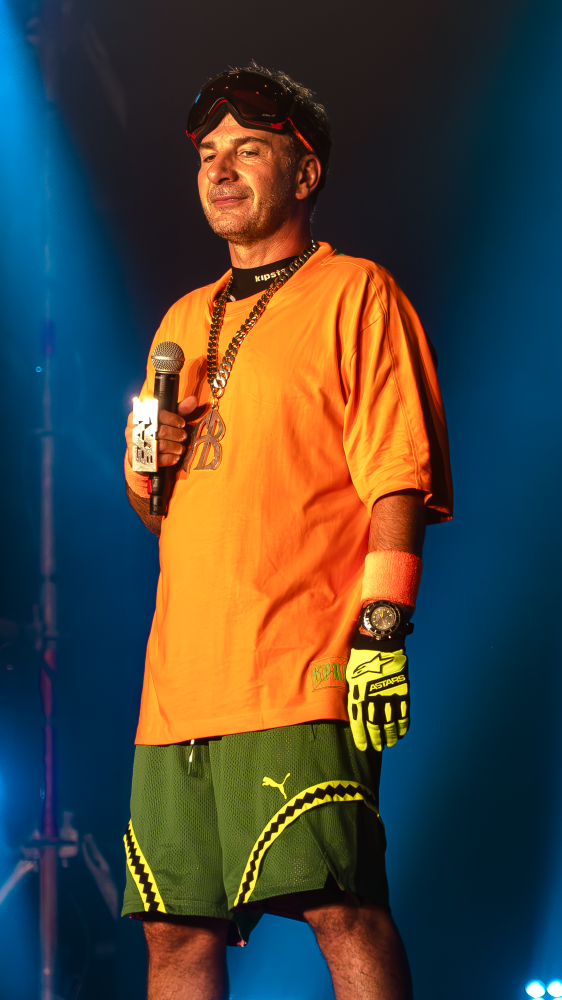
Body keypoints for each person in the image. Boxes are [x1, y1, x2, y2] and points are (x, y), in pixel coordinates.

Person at [123, 64, 452, 1000]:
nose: (221, 171)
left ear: (305, 174)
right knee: (174, 934)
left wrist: (382, 630)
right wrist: (151, 456)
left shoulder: (357, 292)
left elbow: (399, 475)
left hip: (301, 668)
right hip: (179, 687)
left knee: (341, 907)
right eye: (209, 156)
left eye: (249, 151)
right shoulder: (180, 320)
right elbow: (154, 511)